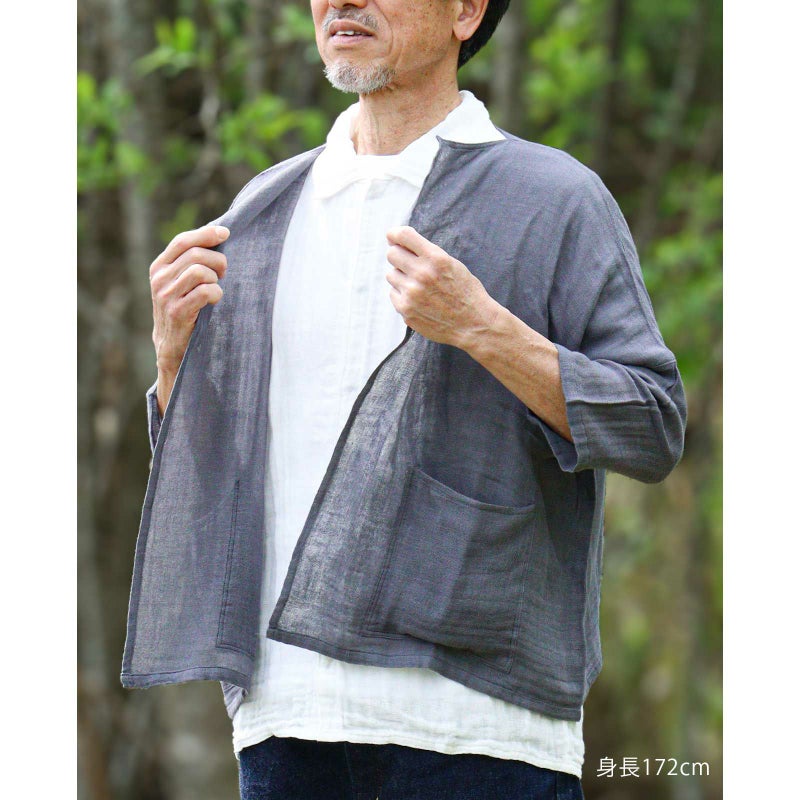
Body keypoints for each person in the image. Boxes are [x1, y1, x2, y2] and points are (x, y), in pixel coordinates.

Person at [121, 1, 687, 798]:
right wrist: (173, 358)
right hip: (286, 727)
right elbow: (212, 483)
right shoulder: (262, 212)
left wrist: (485, 328)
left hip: (481, 728)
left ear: (467, 11)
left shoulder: (555, 198)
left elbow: (653, 424)